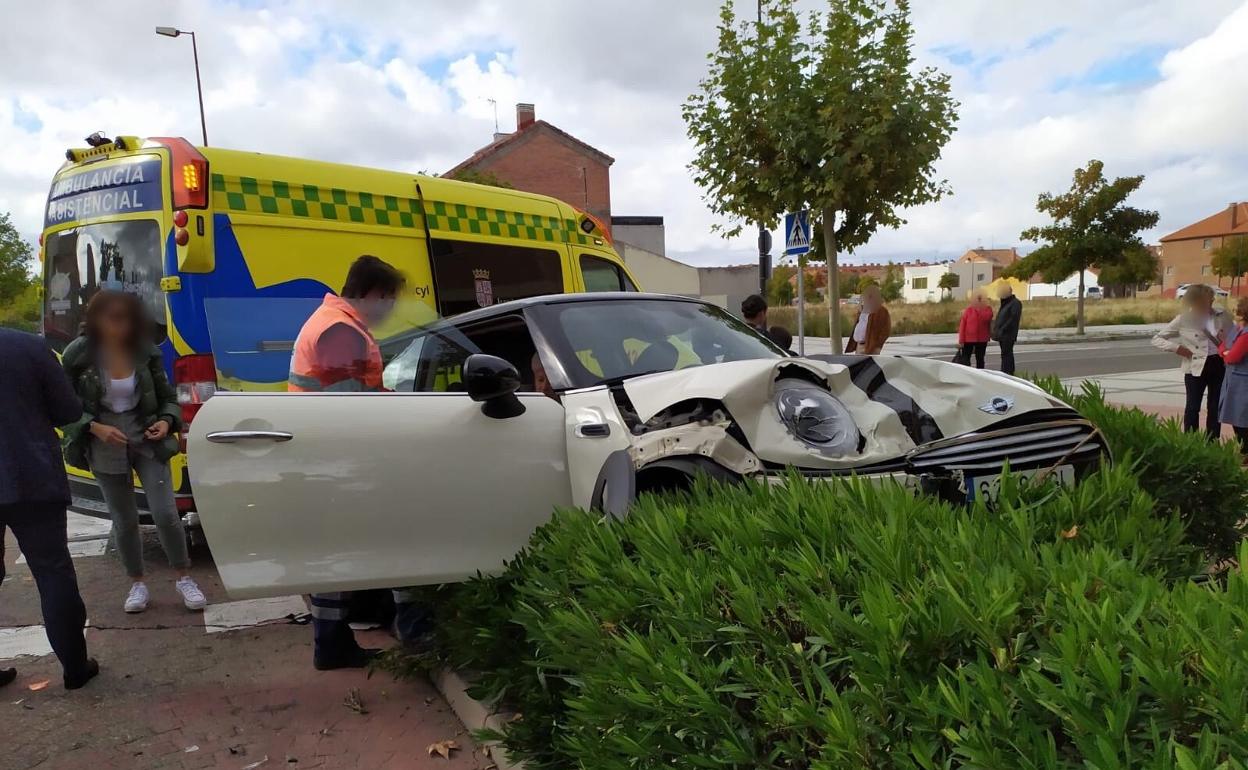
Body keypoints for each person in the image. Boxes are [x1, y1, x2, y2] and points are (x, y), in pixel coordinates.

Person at [290, 255, 432, 669]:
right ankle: (412, 626)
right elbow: (351, 409)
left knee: (342, 547)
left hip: (326, 453)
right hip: (342, 457)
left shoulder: (334, 322)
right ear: (373, 294)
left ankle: (332, 642)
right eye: (389, 301)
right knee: (401, 534)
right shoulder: (341, 332)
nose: (390, 310)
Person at [60, 291, 207, 614]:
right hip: (103, 442)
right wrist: (94, 427)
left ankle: (184, 577)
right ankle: (137, 583)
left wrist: (167, 422)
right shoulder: (78, 355)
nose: (121, 326)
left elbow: (168, 397)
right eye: (113, 319)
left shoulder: (145, 352)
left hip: (146, 438)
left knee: (166, 513)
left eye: (127, 319)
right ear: (96, 319)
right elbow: (64, 405)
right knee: (124, 520)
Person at [0, 328, 98, 690]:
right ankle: (75, 667)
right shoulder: (26, 346)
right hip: (31, 477)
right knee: (52, 572)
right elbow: (68, 410)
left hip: (28, 478)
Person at [1153, 283, 1230, 438]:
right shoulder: (1183, 319)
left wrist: (1227, 341)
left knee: (1215, 407)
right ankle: (1191, 441)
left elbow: (1234, 336)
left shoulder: (1221, 315)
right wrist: (1177, 348)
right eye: (1206, 301)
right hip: (1195, 365)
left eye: (1211, 300)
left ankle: (1212, 442)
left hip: (1218, 363)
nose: (1210, 304)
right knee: (1193, 407)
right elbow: (1157, 339)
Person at [1219, 297, 1248, 453]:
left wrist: (1226, 353)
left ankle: (1246, 450)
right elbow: (1223, 346)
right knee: (1235, 417)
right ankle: (1244, 449)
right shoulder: (1237, 329)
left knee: (1241, 417)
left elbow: (1233, 357)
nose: (1235, 314)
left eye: (1238, 311)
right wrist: (1226, 352)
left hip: (1242, 382)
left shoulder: (1246, 334)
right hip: (1233, 379)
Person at [845, 285, 891, 355]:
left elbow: (886, 330)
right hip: (859, 345)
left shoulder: (881, 311)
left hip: (871, 346)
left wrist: (877, 346)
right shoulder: (862, 309)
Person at [957, 292, 994, 369]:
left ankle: (980, 374)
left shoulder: (987, 309)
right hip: (968, 339)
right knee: (965, 358)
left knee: (980, 359)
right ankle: (967, 374)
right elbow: (962, 326)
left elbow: (987, 318)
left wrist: (980, 309)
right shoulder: (968, 310)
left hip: (982, 339)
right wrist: (961, 340)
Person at [991, 284, 1022, 375]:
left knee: (1007, 353)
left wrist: (1003, 329)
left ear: (1009, 292)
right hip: (1002, 334)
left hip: (1009, 334)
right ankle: (1005, 371)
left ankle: (1008, 372)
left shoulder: (1015, 303)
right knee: (1004, 353)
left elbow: (1013, 318)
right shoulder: (1005, 303)